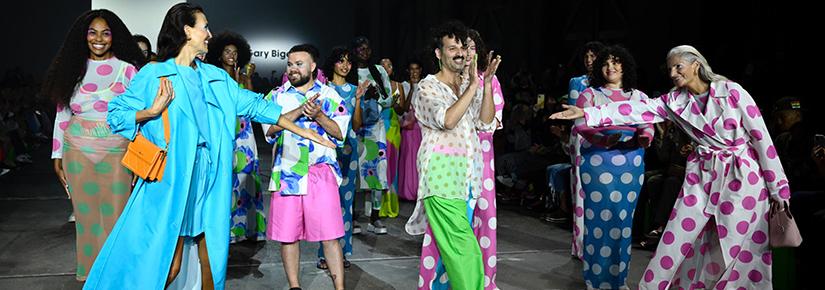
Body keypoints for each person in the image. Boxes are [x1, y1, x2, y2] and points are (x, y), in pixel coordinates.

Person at [83, 4, 332, 289]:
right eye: (204, 27)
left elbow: (255, 106)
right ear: (187, 31)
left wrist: (303, 129)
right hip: (173, 181)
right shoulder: (154, 74)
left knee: (211, 259)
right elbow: (116, 115)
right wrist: (151, 112)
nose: (209, 34)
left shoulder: (215, 78)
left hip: (209, 179)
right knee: (169, 263)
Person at [550, 45, 790, 290]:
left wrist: (778, 187)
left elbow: (762, 139)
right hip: (703, 176)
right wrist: (589, 113)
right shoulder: (675, 101)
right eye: (670, 69)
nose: (673, 73)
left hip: (743, 178)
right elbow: (636, 110)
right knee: (675, 239)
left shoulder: (732, 92)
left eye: (678, 66)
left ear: (696, 64)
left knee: (737, 246)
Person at [40, 9, 145, 282]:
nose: (99, 39)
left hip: (116, 151)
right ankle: (89, 275)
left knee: (115, 218)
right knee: (86, 220)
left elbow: (139, 116)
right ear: (83, 36)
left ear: (115, 36)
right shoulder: (71, 69)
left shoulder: (128, 70)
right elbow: (63, 115)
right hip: (77, 151)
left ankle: (114, 276)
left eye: (106, 33)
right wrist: (57, 155)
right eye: (92, 32)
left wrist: (137, 154)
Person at [405, 20, 500, 290]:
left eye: (462, 47)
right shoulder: (427, 88)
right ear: (439, 53)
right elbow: (446, 120)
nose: (460, 52)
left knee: (455, 254)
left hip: (468, 180)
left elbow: (485, 122)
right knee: (465, 251)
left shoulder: (469, 86)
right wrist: (471, 87)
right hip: (442, 179)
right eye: (452, 47)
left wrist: (487, 83)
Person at [262, 44, 351, 290]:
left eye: (299, 64)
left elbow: (340, 133)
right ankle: (294, 286)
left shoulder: (330, 96)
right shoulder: (276, 96)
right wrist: (300, 110)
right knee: (288, 237)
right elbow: (269, 132)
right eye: (290, 64)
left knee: (330, 235)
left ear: (313, 67)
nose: (293, 68)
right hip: (287, 172)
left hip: (320, 173)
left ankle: (339, 287)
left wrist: (320, 116)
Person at [569, 45, 653, 290]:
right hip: (598, 162)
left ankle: (619, 279)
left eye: (616, 62)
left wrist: (644, 137)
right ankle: (596, 280)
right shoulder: (590, 95)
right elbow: (581, 125)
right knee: (599, 220)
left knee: (623, 221)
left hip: (631, 163)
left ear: (625, 66)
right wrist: (603, 139)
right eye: (605, 63)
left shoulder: (638, 96)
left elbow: (646, 124)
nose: (611, 67)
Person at [205, 30, 265, 243]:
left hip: (245, 134)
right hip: (225, 132)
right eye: (227, 52)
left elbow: (249, 101)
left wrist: (246, 78)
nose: (231, 55)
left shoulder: (242, 74)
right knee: (228, 181)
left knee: (247, 179)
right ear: (219, 55)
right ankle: (230, 230)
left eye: (235, 52)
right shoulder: (215, 75)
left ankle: (249, 228)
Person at [314, 46, 370, 270]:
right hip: (328, 151)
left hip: (349, 151)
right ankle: (323, 254)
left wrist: (357, 101)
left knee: (345, 205)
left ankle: (343, 252)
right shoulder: (323, 89)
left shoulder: (355, 89)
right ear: (333, 64)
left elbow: (356, 125)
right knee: (325, 204)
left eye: (348, 62)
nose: (346, 65)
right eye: (341, 61)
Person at [351, 36, 391, 233]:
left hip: (375, 127)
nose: (364, 52)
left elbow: (390, 98)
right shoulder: (349, 70)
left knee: (377, 170)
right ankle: (353, 215)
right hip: (355, 127)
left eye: (367, 48)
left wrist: (377, 98)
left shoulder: (379, 71)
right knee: (355, 171)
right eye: (360, 48)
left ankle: (375, 217)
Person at [379, 57, 406, 218]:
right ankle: (378, 207)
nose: (386, 67)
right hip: (379, 127)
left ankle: (391, 206)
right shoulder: (375, 85)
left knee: (392, 167)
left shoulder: (399, 85)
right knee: (380, 167)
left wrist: (395, 104)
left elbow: (402, 110)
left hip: (393, 128)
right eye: (382, 65)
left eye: (389, 65)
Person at [398, 60, 423, 201]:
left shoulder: (426, 84)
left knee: (419, 158)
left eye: (416, 69)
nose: (414, 72)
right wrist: (412, 89)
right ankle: (407, 191)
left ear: (420, 70)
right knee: (408, 159)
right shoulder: (405, 86)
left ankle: (419, 190)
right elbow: (405, 108)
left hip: (421, 128)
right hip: (408, 128)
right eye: (411, 69)